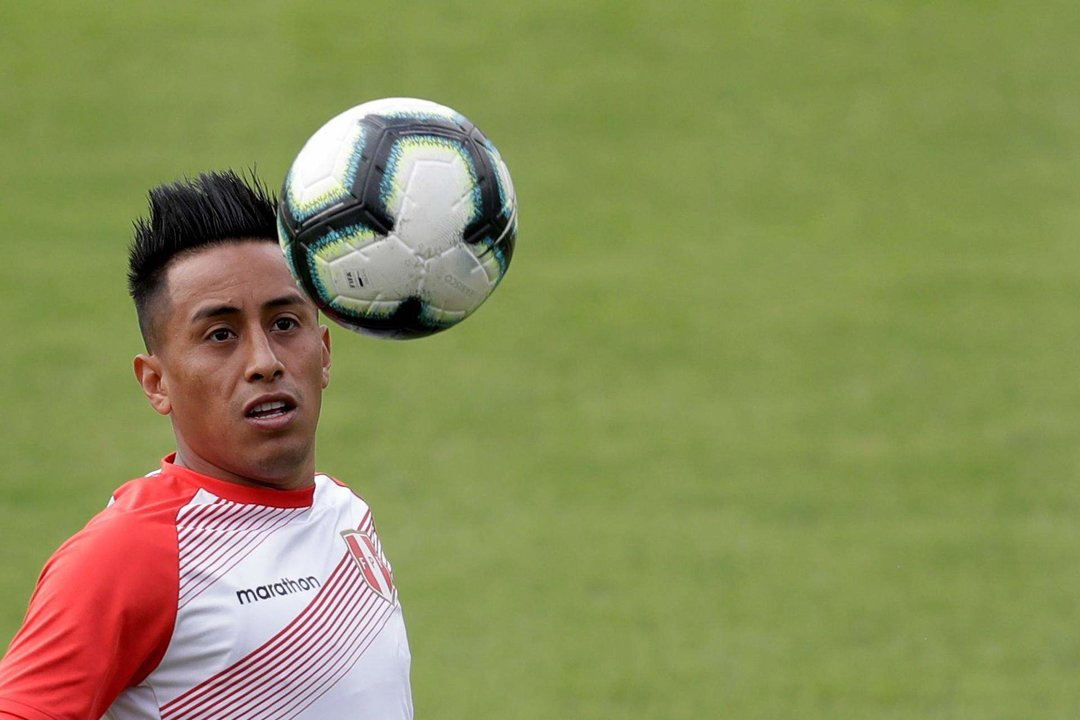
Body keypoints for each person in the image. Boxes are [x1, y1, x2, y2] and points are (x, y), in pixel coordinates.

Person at [0, 171, 413, 719]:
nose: (265, 361)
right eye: (220, 335)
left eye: (285, 323)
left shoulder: (345, 512)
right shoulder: (130, 555)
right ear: (157, 382)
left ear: (325, 350)